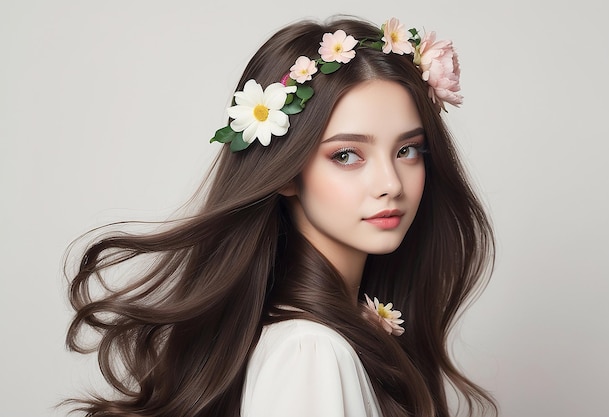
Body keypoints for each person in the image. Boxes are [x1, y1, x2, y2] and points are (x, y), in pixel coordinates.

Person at [65, 15, 497, 417]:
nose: (391, 183)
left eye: (407, 150)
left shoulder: (316, 337)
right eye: (347, 155)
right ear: (286, 173)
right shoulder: (311, 351)